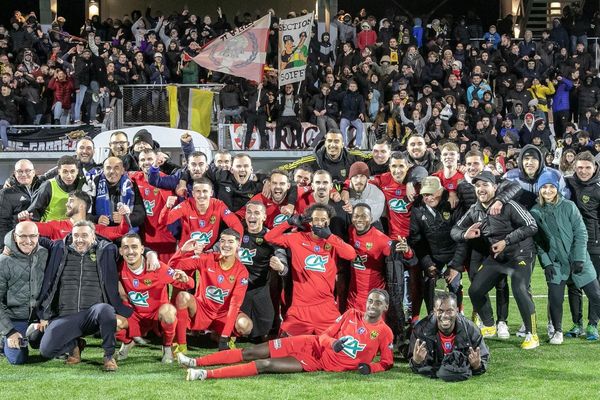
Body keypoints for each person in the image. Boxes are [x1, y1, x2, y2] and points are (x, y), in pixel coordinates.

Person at [179, 289, 393, 381]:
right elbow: (326, 335)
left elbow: (387, 362)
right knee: (253, 351)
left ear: (386, 307)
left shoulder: (384, 332)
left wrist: (370, 367)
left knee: (266, 365)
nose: (372, 305)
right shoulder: (351, 314)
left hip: (316, 363)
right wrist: (334, 343)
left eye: (378, 302)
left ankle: (206, 374)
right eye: (370, 301)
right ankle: (195, 361)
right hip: (310, 344)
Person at [451, 171, 540, 350]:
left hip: (520, 254)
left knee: (519, 288)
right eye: (477, 186)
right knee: (475, 290)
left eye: (485, 185)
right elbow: (454, 230)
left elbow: (532, 226)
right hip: (498, 257)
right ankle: (489, 325)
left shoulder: (509, 205)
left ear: (495, 187)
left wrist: (506, 241)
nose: (481, 189)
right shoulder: (474, 210)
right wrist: (465, 234)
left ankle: (533, 334)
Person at [36, 220, 134, 371]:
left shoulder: (107, 250)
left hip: (92, 315)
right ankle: (74, 344)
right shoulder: (59, 248)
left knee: (105, 309)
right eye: (76, 235)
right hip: (65, 317)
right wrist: (8, 246)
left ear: (93, 236)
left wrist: (151, 254)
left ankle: (108, 356)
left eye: (84, 235)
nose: (79, 239)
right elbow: (29, 237)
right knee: (46, 351)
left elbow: (133, 248)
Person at [264, 203, 357, 335]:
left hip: (326, 307)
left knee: (338, 348)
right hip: (300, 308)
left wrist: (329, 237)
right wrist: (289, 223)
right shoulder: (297, 238)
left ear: (329, 221)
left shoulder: (333, 242)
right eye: (316, 219)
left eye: (323, 220)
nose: (319, 223)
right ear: (310, 222)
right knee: (285, 346)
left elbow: (351, 254)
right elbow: (269, 237)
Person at [531, 172, 600, 344]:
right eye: (544, 187)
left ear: (557, 188)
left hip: (580, 259)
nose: (548, 191)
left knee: (596, 296)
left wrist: (579, 258)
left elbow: (581, 233)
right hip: (556, 264)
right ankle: (558, 331)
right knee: (555, 298)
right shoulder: (535, 211)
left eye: (551, 187)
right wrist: (546, 264)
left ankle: (592, 325)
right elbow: (539, 243)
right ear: (539, 190)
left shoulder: (569, 206)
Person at [169, 229, 252, 354]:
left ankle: (221, 336)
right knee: (182, 296)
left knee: (245, 325)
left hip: (224, 314)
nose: (226, 245)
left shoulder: (242, 271)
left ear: (238, 245)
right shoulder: (207, 258)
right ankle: (181, 345)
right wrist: (182, 251)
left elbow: (235, 305)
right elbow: (173, 268)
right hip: (202, 309)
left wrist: (224, 337)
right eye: (223, 241)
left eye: (230, 241)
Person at [115, 234, 193, 363]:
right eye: (126, 247)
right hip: (135, 314)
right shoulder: (118, 268)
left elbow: (188, 284)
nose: (130, 252)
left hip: (157, 314)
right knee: (109, 320)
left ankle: (167, 347)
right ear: (121, 251)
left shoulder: (157, 267)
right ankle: (128, 342)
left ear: (142, 249)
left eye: (134, 247)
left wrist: (186, 279)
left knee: (168, 312)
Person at [409, 176, 466, 314]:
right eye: (425, 194)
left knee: (454, 283)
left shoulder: (453, 204)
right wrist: (428, 263)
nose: (428, 198)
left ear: (440, 191)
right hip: (432, 254)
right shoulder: (417, 209)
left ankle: (457, 315)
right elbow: (417, 239)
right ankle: (432, 315)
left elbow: (463, 238)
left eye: (431, 193)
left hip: (453, 252)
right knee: (429, 283)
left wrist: (455, 266)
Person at [237, 201, 288, 341]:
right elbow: (219, 248)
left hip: (260, 288)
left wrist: (281, 266)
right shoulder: (237, 233)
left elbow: (283, 259)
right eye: (249, 212)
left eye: (257, 213)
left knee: (263, 333)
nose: (252, 216)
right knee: (238, 330)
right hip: (237, 288)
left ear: (264, 217)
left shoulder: (271, 237)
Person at [409, 292, 489, 381]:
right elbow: (413, 363)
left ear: (457, 311)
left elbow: (483, 360)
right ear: (434, 311)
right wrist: (416, 362)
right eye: (440, 311)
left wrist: (477, 366)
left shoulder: (471, 329)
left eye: (449, 311)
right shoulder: (420, 330)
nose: (445, 315)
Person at [0, 222, 47, 364]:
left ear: (38, 236)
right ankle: (4, 339)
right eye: (23, 236)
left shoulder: (44, 253)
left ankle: (34, 338)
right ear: (15, 236)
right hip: (15, 319)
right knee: (18, 359)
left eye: (32, 236)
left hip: (39, 318)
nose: (28, 241)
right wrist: (9, 331)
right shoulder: (3, 262)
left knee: (54, 349)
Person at [24, 155, 86, 222]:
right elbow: (33, 213)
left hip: (73, 230)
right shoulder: (47, 186)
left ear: (77, 171)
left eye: (72, 171)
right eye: (65, 172)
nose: (69, 176)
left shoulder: (83, 185)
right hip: (49, 230)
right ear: (59, 171)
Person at [90, 157, 146, 229]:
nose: (112, 171)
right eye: (108, 168)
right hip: (102, 232)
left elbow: (140, 214)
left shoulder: (132, 185)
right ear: (103, 170)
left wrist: (125, 219)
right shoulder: (95, 184)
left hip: (126, 233)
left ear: (122, 170)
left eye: (116, 168)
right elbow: (86, 213)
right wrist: (96, 219)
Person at [0, 160, 42, 250]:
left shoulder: (42, 187)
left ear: (34, 172)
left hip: (40, 240)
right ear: (15, 173)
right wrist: (5, 245)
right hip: (18, 243)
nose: (23, 174)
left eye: (27, 171)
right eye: (20, 171)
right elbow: (2, 223)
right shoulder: (6, 193)